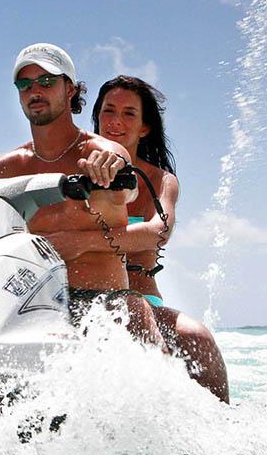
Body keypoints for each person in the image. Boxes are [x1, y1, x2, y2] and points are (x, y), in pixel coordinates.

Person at [43, 76, 229, 402]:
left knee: (197, 338)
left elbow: (159, 231)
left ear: (144, 128)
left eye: (129, 113)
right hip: (79, 300)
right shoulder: (71, 174)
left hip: (144, 300)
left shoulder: (161, 180)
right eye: (109, 111)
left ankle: (223, 424)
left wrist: (83, 242)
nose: (116, 121)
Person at [0, 44, 164, 347]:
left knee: (135, 311)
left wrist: (113, 170)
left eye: (47, 81)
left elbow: (127, 185)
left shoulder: (102, 153)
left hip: (105, 304)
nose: (35, 91)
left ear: (70, 90)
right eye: (25, 84)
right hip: (29, 311)